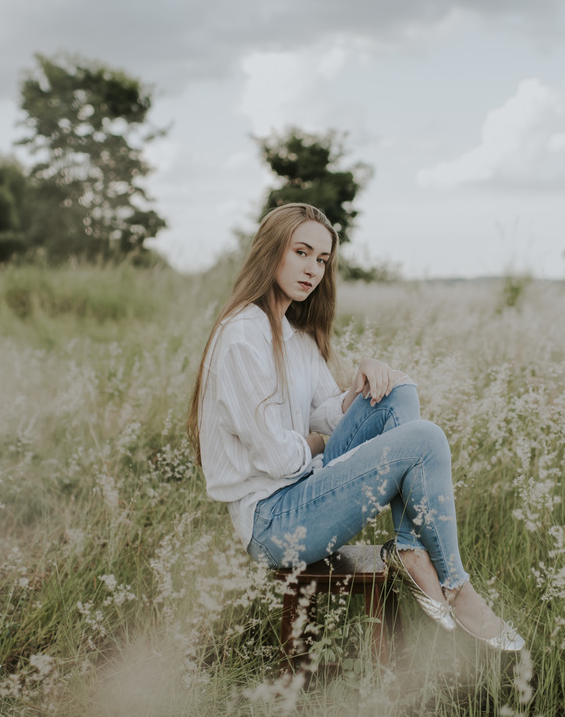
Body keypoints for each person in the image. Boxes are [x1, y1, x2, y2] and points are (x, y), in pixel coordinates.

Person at [187, 203, 523, 651]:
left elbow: (324, 412)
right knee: (426, 439)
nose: (313, 270)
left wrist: (363, 381)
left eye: (322, 260)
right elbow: (276, 456)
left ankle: (409, 548)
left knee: (398, 391)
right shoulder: (241, 337)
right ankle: (456, 587)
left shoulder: (295, 334)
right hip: (274, 524)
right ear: (271, 252)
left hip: (302, 489)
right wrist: (318, 448)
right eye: (301, 252)